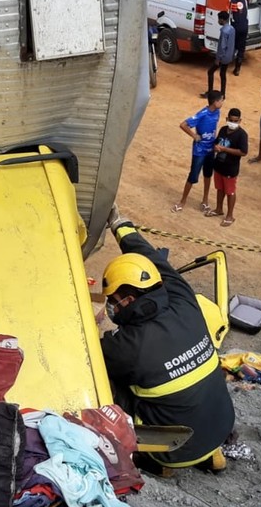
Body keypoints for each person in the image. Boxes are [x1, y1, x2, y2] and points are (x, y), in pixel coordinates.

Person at [99, 211, 235, 472]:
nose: (111, 306)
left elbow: (84, 354)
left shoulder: (126, 348)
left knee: (104, 382)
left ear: (127, 301)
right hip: (221, 426)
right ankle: (212, 455)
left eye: (113, 300)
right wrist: (121, 226)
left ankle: (157, 461)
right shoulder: (183, 300)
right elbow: (153, 259)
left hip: (174, 451)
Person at [173, 91, 223, 212]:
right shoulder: (202, 114)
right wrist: (194, 136)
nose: (222, 103)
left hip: (210, 150)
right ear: (215, 102)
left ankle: (205, 200)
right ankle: (182, 201)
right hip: (199, 151)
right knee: (193, 175)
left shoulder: (217, 112)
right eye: (221, 100)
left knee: (207, 174)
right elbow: (183, 124)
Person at [209, 108, 248, 226]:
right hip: (219, 165)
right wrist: (216, 147)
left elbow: (243, 152)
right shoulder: (223, 130)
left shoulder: (242, 135)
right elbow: (216, 142)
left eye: (235, 121)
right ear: (227, 119)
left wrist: (225, 149)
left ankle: (230, 215)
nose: (233, 123)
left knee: (230, 192)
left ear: (239, 121)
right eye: (231, 120)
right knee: (220, 189)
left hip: (231, 168)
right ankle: (219, 209)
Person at [205, 10, 236, 99]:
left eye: (219, 19)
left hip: (223, 57)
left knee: (210, 72)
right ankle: (223, 94)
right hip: (229, 55)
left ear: (222, 20)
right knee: (223, 74)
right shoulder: (231, 29)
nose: (218, 21)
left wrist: (218, 59)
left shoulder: (224, 31)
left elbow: (222, 47)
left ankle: (210, 92)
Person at [230, 0, 249, 76]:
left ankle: (227, 63)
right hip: (244, 26)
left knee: (232, 46)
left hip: (236, 26)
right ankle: (237, 69)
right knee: (241, 49)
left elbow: (230, 15)